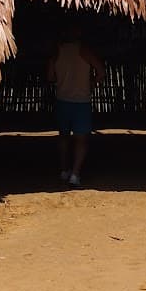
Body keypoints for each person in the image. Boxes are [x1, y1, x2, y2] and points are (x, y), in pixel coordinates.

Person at [47, 24, 104, 187]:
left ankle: (64, 170)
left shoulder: (57, 52)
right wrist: (91, 83)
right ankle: (75, 173)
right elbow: (101, 72)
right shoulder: (85, 51)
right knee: (81, 140)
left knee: (63, 137)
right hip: (81, 102)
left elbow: (50, 77)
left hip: (62, 100)